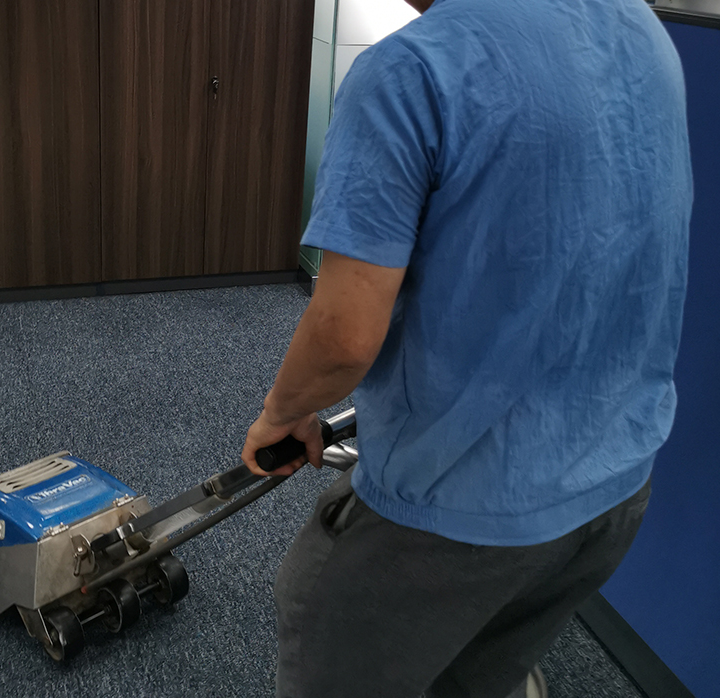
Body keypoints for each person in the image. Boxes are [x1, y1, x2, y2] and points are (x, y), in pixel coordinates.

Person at [239, 0, 693, 696]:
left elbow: (343, 338)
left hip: (455, 510)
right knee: (479, 672)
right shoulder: (639, 27)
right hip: (613, 488)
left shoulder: (408, 70)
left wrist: (282, 413)